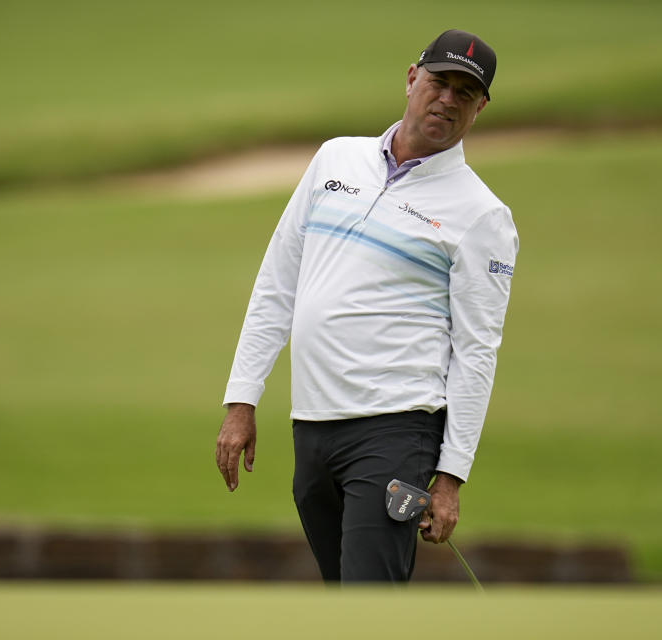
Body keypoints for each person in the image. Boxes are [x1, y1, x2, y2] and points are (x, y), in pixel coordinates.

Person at [215, 29, 518, 582]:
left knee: (367, 603)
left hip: (396, 431)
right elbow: (277, 282)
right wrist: (242, 400)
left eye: (465, 93)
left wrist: (450, 477)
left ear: (479, 108)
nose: (447, 99)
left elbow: (477, 352)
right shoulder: (336, 158)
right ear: (410, 79)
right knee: (345, 598)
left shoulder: (482, 215)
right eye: (439, 82)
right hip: (310, 423)